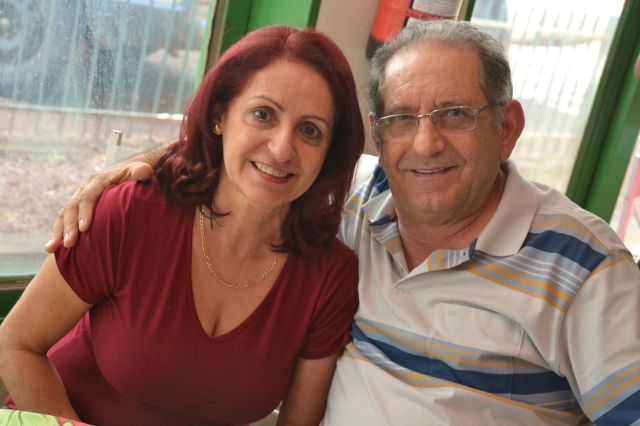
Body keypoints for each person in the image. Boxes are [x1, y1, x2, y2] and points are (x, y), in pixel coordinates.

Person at [41, 20, 640, 425]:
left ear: (506, 128)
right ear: (378, 135)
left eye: (455, 114)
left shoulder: (584, 268)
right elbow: (261, 163)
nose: (425, 144)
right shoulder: (352, 203)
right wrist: (133, 168)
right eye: (401, 119)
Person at [0, 25, 365, 426]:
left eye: (310, 130)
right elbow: (15, 344)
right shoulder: (132, 213)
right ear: (220, 116)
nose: (281, 149)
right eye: (262, 114)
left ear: (330, 152)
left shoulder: (331, 276)